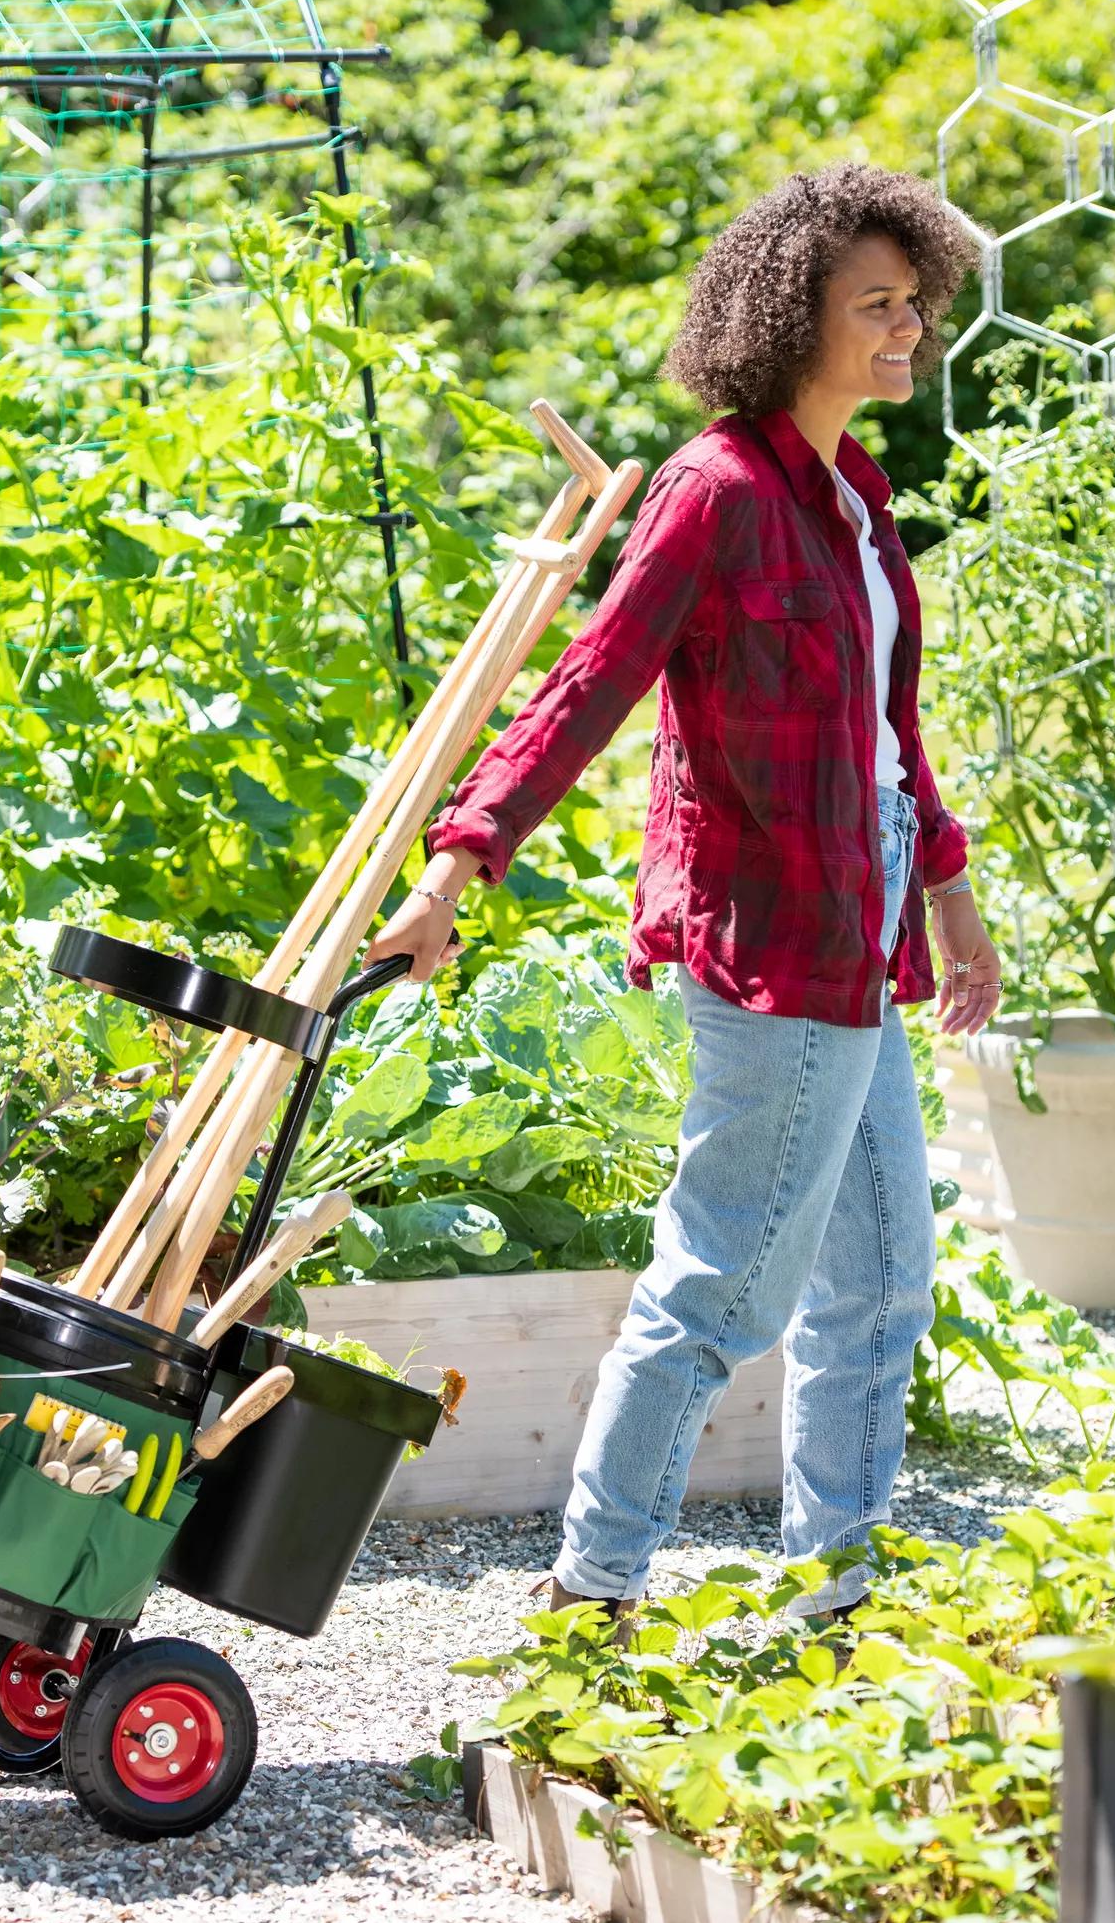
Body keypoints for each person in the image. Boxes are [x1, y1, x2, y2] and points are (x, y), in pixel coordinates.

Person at [364, 161, 1005, 1626]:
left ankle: (832, 1595)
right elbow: (590, 689)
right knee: (721, 1294)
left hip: (866, 939)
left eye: (916, 302)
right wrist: (461, 864)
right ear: (792, 320)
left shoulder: (855, 494)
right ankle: (592, 1595)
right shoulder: (712, 493)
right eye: (877, 306)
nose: (909, 329)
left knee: (885, 1285)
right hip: (775, 950)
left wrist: (951, 897)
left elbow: (888, 733)